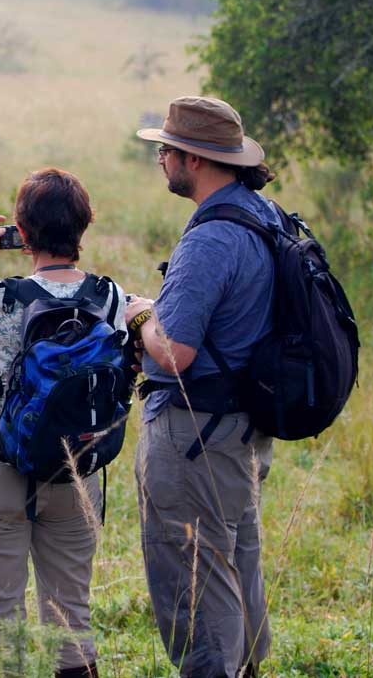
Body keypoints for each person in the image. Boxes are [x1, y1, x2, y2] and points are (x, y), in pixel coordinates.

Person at [0, 168, 128, 678]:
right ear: (82, 229)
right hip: (77, 469)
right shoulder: (112, 298)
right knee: (71, 617)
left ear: (23, 232)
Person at [128, 96, 280, 677]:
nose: (162, 159)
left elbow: (176, 352)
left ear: (193, 159)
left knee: (194, 580)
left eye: (166, 150)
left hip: (196, 435)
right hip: (242, 427)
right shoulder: (263, 215)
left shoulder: (211, 237)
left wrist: (141, 316)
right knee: (238, 561)